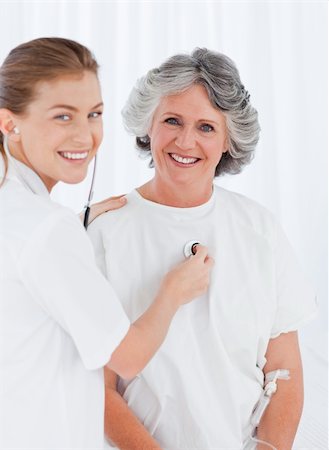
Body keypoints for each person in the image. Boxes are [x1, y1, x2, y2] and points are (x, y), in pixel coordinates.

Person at [88, 48, 317, 449]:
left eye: (207, 127)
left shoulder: (259, 228)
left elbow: (284, 369)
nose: (185, 141)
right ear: (148, 125)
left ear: (230, 139)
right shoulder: (104, 233)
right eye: (172, 121)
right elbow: (96, 387)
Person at [0, 38, 214, 450]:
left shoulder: (21, 212)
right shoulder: (47, 229)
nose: (85, 135)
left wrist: (75, 232)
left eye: (94, 114)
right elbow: (127, 357)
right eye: (63, 116)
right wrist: (173, 291)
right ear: (10, 124)